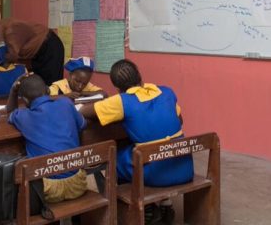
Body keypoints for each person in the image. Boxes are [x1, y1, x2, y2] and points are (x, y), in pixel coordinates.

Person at [81, 59, 193, 224]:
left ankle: (143, 209)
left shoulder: (122, 101)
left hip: (157, 175)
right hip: (184, 167)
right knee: (134, 148)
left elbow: (85, 111)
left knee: (113, 159)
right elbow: (180, 120)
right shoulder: (167, 92)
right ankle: (165, 203)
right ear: (140, 76)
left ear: (117, 88)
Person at [6, 73, 87, 203]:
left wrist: (13, 90)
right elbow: (83, 124)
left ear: (25, 101)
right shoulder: (66, 103)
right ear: (48, 90)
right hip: (78, 185)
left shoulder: (23, 116)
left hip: (47, 189)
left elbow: (9, 111)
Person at [0, 11, 64, 86]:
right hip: (38, 54)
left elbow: (12, 57)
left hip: (50, 47)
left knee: (53, 86)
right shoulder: (0, 35)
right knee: (41, 86)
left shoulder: (9, 30)